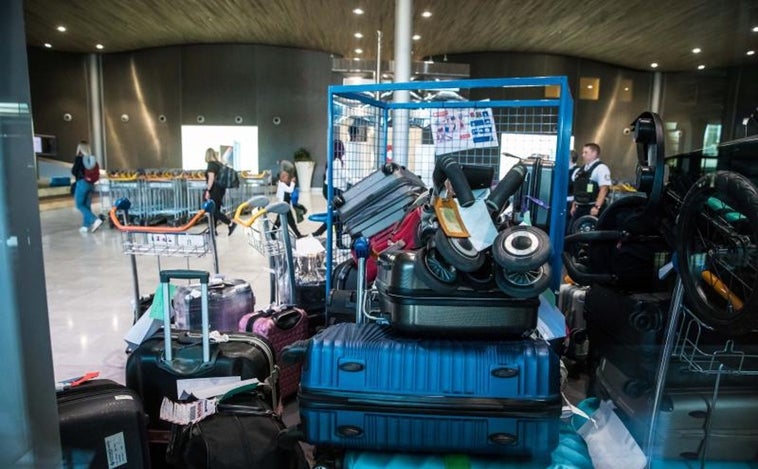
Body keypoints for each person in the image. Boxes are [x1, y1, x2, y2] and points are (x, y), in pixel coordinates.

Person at [569, 143, 611, 229]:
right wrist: (574, 205)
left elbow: (604, 189)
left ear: (594, 153)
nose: (583, 155)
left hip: (592, 208)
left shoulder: (601, 168)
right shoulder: (581, 170)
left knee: (590, 236)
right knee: (572, 231)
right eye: (583, 152)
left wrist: (597, 207)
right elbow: (577, 189)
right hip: (579, 207)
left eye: (586, 152)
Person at [312, 140, 350, 237]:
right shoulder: (336, 162)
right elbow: (346, 177)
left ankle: (319, 233)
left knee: (337, 214)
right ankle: (338, 239)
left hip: (330, 189)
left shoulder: (332, 160)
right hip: (333, 190)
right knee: (338, 215)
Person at [71, 141, 103, 233]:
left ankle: (95, 220)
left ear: (80, 149)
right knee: (87, 205)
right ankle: (85, 226)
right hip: (91, 184)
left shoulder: (79, 158)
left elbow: (74, 171)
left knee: (79, 205)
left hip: (82, 183)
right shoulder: (92, 159)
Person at [204, 147, 237, 236]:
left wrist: (208, 190)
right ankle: (212, 230)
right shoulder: (219, 164)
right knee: (215, 209)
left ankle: (230, 223)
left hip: (214, 190)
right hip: (221, 190)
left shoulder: (211, 164)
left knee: (212, 209)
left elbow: (211, 178)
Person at [275, 168, 305, 238]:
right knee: (282, 221)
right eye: (285, 176)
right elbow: (290, 190)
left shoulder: (283, 184)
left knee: (285, 221)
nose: (287, 177)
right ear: (281, 179)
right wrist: (293, 182)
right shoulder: (282, 184)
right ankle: (298, 235)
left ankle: (298, 234)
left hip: (285, 206)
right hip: (283, 206)